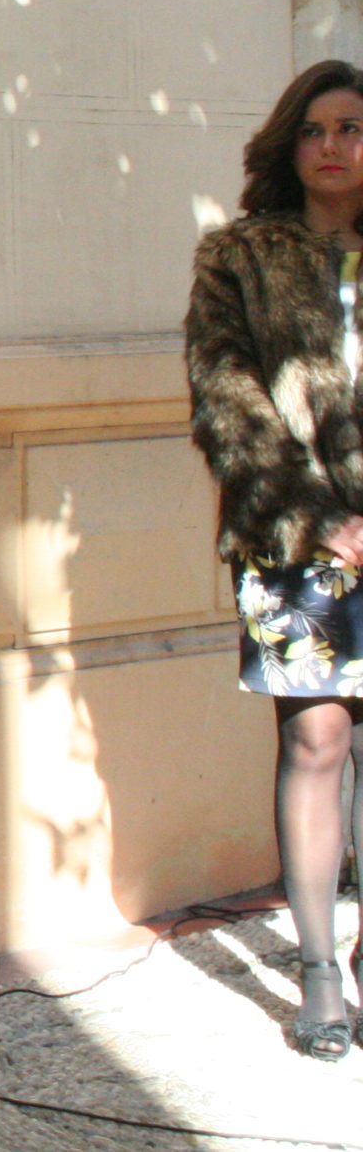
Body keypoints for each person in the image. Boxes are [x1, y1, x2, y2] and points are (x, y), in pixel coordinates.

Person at [184, 58, 363, 1063]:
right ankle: (319, 972)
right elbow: (224, 395)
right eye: (314, 129)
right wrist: (314, 514)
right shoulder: (237, 256)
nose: (332, 146)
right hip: (291, 540)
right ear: (288, 144)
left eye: (350, 128)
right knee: (317, 741)